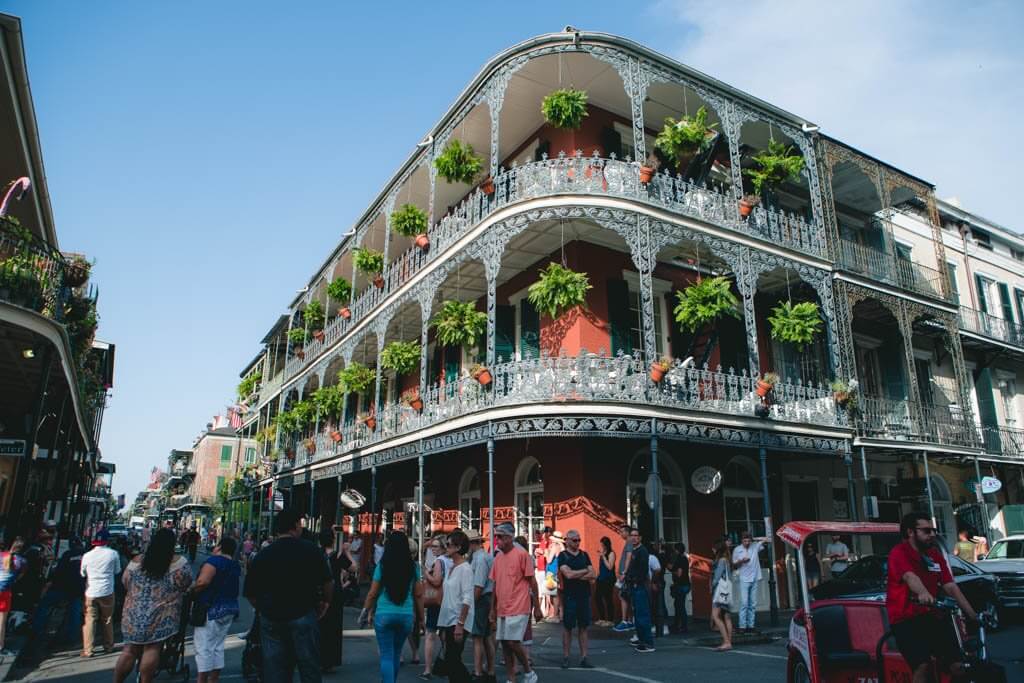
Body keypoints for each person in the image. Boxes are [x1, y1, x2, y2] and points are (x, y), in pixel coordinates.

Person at [243, 507, 333, 683]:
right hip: (303, 613)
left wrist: (263, 608)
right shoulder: (311, 550)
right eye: (300, 523)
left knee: (275, 668)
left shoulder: (263, 554)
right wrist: (325, 602)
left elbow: (250, 592)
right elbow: (328, 581)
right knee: (309, 667)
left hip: (272, 617)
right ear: (295, 526)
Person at [886, 512, 978, 683]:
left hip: (931, 615)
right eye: (926, 531)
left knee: (959, 664)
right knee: (922, 666)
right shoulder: (899, 553)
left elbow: (950, 586)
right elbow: (910, 577)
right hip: (906, 619)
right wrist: (923, 593)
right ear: (910, 532)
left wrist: (973, 615)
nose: (932, 535)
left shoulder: (934, 555)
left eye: (933, 530)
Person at [113, 528, 193, 683]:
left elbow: (125, 581)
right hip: (161, 613)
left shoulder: (136, 562)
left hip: (133, 613)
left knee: (129, 650)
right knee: (153, 648)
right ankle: (145, 680)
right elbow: (186, 583)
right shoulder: (178, 563)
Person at [361, 531, 423, 683]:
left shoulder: (382, 566)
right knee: (396, 653)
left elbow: (373, 593)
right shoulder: (414, 567)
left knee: (386, 654)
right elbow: (418, 595)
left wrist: (365, 611)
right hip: (406, 615)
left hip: (384, 614)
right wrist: (421, 618)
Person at [489, 522, 543, 683]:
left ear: (509, 537)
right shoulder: (498, 557)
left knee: (513, 641)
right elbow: (495, 584)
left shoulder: (522, 554)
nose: (497, 539)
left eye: (500, 536)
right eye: (496, 536)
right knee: (505, 643)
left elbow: (532, 582)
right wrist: (492, 609)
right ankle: (511, 678)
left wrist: (538, 608)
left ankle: (528, 671)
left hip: (519, 606)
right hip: (502, 607)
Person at [191, 537, 241, 683]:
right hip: (229, 608)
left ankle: (202, 680)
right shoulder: (234, 565)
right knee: (218, 646)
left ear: (219, 547)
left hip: (211, 608)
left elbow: (203, 582)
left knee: (204, 646)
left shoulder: (213, 562)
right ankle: (214, 679)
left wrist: (191, 590)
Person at [31, 537, 86, 647]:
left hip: (62, 586)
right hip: (77, 588)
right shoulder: (86, 555)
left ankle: (37, 629)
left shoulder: (67, 554)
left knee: (44, 605)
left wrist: (51, 584)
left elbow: (59, 571)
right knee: (74, 612)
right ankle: (71, 636)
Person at [437, 530, 474, 683]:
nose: (446, 547)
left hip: (458, 619)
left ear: (458, 547)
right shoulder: (452, 566)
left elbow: (467, 598)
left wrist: (460, 624)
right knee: (451, 658)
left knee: (452, 659)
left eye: (449, 544)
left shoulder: (465, 569)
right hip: (448, 618)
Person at [80, 529, 121, 658]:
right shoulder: (113, 554)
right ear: (107, 541)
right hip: (107, 590)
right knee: (107, 619)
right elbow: (117, 570)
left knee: (90, 620)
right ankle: (108, 646)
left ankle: (88, 650)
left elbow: (82, 573)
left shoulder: (87, 555)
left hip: (91, 591)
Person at [557, 529, 594, 668]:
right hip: (570, 596)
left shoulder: (584, 555)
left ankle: (584, 657)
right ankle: (566, 657)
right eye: (575, 540)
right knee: (568, 627)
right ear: (567, 540)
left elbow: (593, 574)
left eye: (579, 540)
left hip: (584, 595)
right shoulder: (563, 556)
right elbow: (568, 575)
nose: (578, 542)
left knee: (583, 627)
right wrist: (585, 571)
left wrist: (577, 574)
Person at [468, 532, 496, 683]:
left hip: (481, 599)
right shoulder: (485, 557)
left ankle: (478, 671)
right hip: (486, 598)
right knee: (486, 637)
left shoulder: (480, 559)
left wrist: (470, 604)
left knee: (478, 637)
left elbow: (478, 585)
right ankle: (490, 670)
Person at [420, 533, 447, 680]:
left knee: (430, 634)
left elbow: (436, 581)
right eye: (432, 546)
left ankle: (428, 668)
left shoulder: (439, 562)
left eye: (435, 546)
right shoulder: (450, 561)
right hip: (447, 601)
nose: (432, 549)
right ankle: (447, 663)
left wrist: (426, 574)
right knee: (444, 635)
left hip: (437, 602)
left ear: (443, 548)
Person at [623, 528, 654, 653]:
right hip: (634, 586)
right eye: (632, 536)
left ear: (640, 538)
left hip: (639, 586)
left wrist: (635, 581)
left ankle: (648, 643)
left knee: (642, 615)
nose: (634, 538)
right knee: (638, 615)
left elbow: (643, 570)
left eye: (636, 536)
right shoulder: (634, 551)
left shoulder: (642, 551)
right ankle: (642, 640)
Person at [731, 531, 768, 633]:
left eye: (748, 540)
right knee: (744, 603)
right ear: (741, 541)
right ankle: (742, 626)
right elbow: (734, 565)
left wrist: (754, 538)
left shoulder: (755, 546)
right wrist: (742, 561)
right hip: (744, 578)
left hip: (755, 577)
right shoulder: (737, 549)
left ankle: (751, 625)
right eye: (744, 540)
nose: (746, 542)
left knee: (753, 603)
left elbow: (768, 539)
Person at [318, 530, 344, 673]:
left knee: (320, 626)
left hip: (320, 593)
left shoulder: (317, 554)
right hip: (335, 594)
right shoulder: (337, 556)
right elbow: (353, 567)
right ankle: (330, 659)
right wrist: (347, 552)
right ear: (333, 540)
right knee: (334, 627)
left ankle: (318, 657)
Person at [0, 538, 27, 653]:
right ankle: (0, 645)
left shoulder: (1, 555)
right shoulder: (22, 561)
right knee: (1, 620)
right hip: (5, 591)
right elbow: (19, 577)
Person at [710, 540, 733, 651]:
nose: (712, 550)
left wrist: (712, 587)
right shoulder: (727, 560)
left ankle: (726, 642)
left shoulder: (721, 561)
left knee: (716, 616)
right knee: (727, 617)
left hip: (720, 591)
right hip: (728, 590)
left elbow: (717, 577)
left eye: (714, 548)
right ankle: (729, 641)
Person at [613, 525, 633, 632]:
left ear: (627, 532)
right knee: (627, 597)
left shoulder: (629, 542)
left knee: (623, 596)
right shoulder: (628, 543)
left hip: (625, 575)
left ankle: (625, 621)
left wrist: (624, 572)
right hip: (625, 574)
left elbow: (629, 557)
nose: (620, 534)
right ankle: (629, 621)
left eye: (622, 532)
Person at [668, 542, 690, 634]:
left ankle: (683, 626)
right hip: (685, 584)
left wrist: (672, 571)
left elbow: (679, 573)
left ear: (677, 550)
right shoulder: (683, 558)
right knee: (678, 605)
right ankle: (678, 624)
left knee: (680, 606)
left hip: (681, 585)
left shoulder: (681, 559)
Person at [595, 536, 616, 627]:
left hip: (609, 579)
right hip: (601, 578)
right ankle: (602, 618)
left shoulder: (611, 553)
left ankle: (610, 620)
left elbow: (610, 567)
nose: (602, 546)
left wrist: (603, 557)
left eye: (603, 545)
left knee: (608, 598)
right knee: (597, 597)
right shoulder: (603, 553)